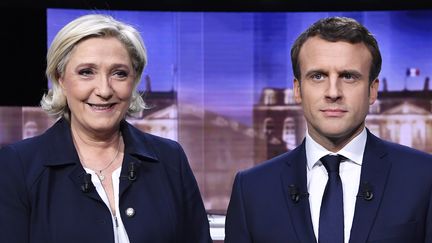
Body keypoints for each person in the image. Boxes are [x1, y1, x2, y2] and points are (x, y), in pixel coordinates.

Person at [0, 14, 211, 243]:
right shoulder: (19, 166)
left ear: (134, 80)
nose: (104, 90)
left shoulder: (170, 159)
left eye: (119, 73)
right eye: (86, 72)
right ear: (60, 79)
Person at [225, 16, 432, 243]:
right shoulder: (252, 190)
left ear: (372, 90)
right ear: (298, 89)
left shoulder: (424, 177)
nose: (333, 92)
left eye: (348, 76)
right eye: (318, 76)